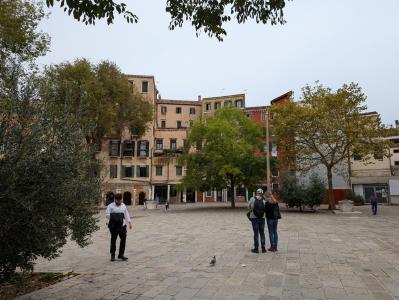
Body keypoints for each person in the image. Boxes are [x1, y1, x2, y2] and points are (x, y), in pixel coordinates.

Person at [105, 193, 132, 261]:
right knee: (113, 240)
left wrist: (129, 222)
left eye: (120, 200)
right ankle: (112, 255)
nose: (119, 202)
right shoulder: (110, 206)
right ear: (115, 199)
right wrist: (116, 217)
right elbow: (107, 214)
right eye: (118, 200)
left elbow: (126, 214)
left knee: (123, 240)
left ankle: (121, 254)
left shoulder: (123, 206)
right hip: (113, 226)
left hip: (122, 226)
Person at [248, 188, 266, 253]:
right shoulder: (264, 200)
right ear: (262, 193)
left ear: (256, 192)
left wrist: (251, 211)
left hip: (254, 217)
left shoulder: (252, 199)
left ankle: (256, 248)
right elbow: (265, 209)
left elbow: (249, 207)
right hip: (262, 218)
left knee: (256, 233)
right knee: (262, 233)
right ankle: (263, 248)